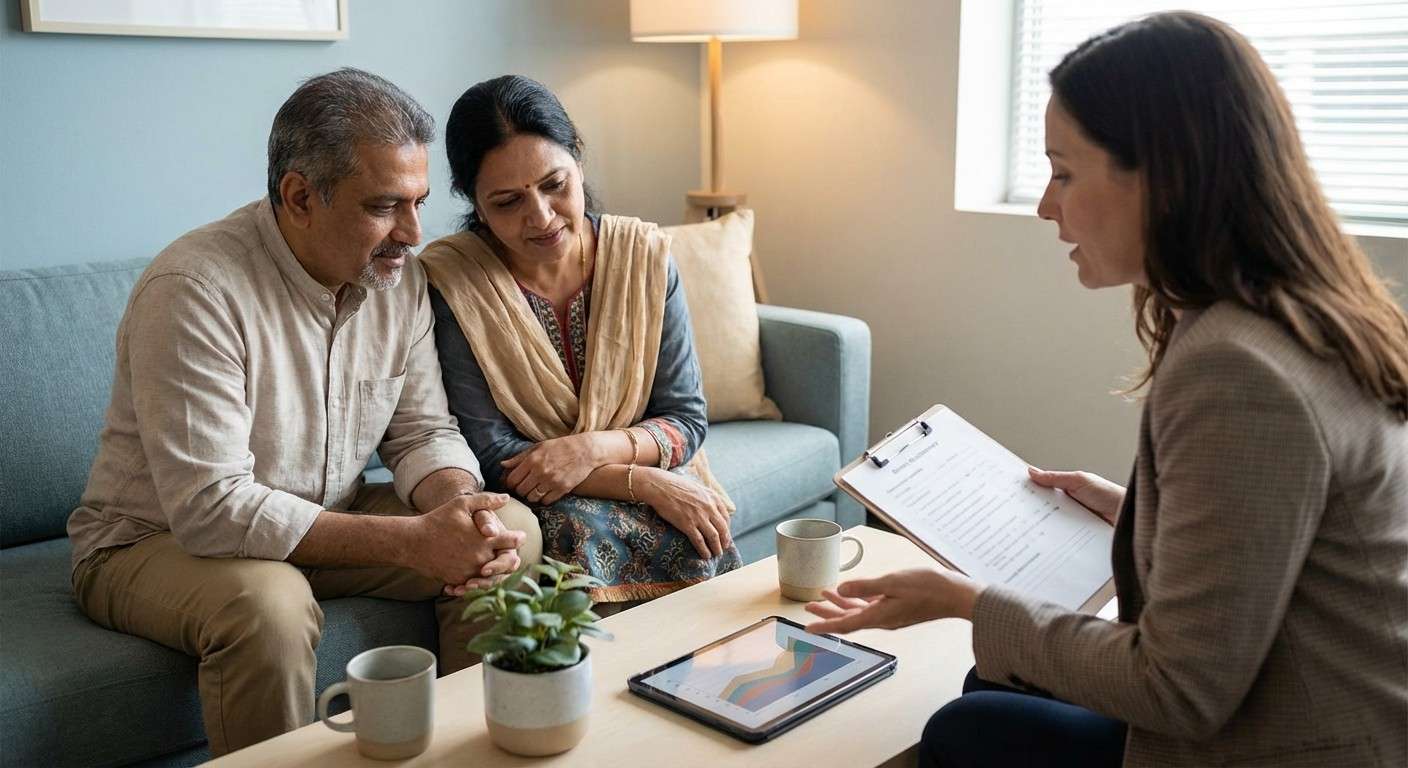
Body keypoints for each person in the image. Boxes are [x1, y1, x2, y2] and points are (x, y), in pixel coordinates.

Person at [806, 12, 1408, 768]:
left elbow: (1180, 692)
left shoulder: (1240, 371)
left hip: (1295, 739)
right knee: (990, 682)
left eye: (1064, 170)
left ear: (1163, 178)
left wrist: (963, 599)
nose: (1045, 205)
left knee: (968, 729)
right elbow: (1282, 534)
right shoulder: (1287, 314)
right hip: (1285, 691)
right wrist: (1135, 512)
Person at [66, 68, 542, 757]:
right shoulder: (195, 290)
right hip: (153, 542)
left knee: (510, 532)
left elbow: (423, 431)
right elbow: (212, 508)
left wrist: (458, 511)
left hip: (318, 518)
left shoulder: (395, 275)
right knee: (269, 604)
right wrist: (414, 542)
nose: (411, 233)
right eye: (384, 205)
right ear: (298, 197)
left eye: (418, 202)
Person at [420, 75, 741, 609]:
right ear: (474, 202)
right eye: (507, 201)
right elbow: (495, 454)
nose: (541, 217)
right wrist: (648, 484)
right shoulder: (454, 283)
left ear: (579, 161)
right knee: (577, 533)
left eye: (554, 185)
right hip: (546, 495)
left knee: (700, 527)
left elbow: (686, 418)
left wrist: (589, 448)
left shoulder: (642, 258)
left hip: (627, 463)